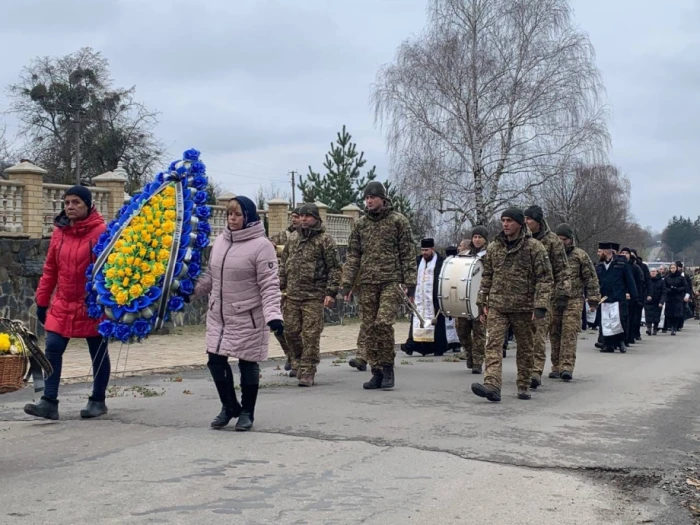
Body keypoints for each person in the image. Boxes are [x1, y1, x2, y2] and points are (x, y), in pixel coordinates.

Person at [194, 196, 283, 431]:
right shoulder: (221, 241)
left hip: (248, 315)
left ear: (249, 217)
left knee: (247, 363)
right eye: (229, 215)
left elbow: (269, 284)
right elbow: (211, 278)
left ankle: (247, 411)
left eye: (238, 215)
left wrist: (274, 315)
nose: (233, 219)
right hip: (219, 315)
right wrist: (188, 293)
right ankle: (229, 405)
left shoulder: (262, 246)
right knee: (215, 360)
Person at [24, 186, 110, 421]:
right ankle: (49, 402)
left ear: (88, 205)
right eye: (67, 202)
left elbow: (110, 270)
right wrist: (42, 301)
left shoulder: (102, 232)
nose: (70, 207)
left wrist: (109, 302)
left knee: (98, 352)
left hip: (92, 305)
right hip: (63, 303)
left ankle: (98, 400)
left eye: (76, 202)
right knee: (52, 347)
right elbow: (50, 269)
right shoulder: (59, 232)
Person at [471, 208, 553, 402]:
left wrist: (540, 305)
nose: (505, 224)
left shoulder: (534, 247)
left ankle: (524, 384)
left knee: (525, 348)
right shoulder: (494, 247)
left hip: (524, 307)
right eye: (503, 221)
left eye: (509, 221)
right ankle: (492, 384)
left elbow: (545, 278)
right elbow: (487, 275)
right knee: (493, 345)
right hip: (498, 306)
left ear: (519, 224)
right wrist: (482, 300)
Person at [342, 181, 417, 391]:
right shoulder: (361, 224)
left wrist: (410, 285)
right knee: (370, 327)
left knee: (383, 323)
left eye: (372, 197)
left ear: (383, 199)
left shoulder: (398, 221)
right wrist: (346, 284)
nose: (369, 201)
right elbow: (353, 256)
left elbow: (408, 254)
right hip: (367, 283)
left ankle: (387, 366)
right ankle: (376, 371)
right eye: (366, 198)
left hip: (391, 281)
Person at [279, 203, 340, 386]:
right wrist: (281, 286)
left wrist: (330, 292)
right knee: (290, 332)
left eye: (307, 216)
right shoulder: (293, 238)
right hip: (292, 295)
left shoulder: (325, 240)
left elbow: (334, 269)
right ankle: (297, 360)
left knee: (311, 334)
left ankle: (308, 370)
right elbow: (284, 264)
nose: (304, 219)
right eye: (301, 216)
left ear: (316, 218)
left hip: (314, 296)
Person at [524, 205, 571, 389]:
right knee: (525, 335)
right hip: (522, 294)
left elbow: (562, 270)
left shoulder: (552, 241)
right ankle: (525, 369)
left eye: (530, 219)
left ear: (538, 221)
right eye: (525, 219)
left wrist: (562, 294)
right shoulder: (522, 239)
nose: (526, 222)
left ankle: (535, 371)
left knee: (539, 333)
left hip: (545, 294)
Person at [550, 224, 600, 381]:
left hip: (574, 299)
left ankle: (567, 366)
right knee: (554, 332)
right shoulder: (550, 256)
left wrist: (593, 299)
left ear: (570, 240)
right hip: (554, 299)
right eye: (557, 239)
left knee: (569, 332)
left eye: (563, 239)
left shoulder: (580, 256)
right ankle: (556, 365)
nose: (560, 242)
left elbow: (591, 278)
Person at [401, 239, 447, 357]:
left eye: (426, 250)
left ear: (433, 249)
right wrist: (410, 292)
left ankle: (437, 347)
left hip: (434, 298)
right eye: (422, 250)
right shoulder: (417, 261)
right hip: (419, 298)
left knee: (436, 322)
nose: (424, 253)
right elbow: (411, 278)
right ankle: (414, 345)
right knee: (417, 318)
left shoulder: (441, 262)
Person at [270, 207, 301, 372]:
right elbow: (268, 245)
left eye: (298, 217)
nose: (295, 220)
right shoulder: (282, 236)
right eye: (293, 217)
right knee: (279, 325)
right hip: (281, 287)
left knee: (296, 327)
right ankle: (289, 354)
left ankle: (300, 359)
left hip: (300, 288)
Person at [455, 227, 488, 373]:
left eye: (480, 237)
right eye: (474, 237)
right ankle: (469, 353)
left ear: (485, 239)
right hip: (463, 297)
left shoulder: (490, 255)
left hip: (481, 298)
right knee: (462, 331)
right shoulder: (464, 255)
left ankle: (478, 362)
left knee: (479, 331)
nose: (476, 240)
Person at [596, 242, 638, 353]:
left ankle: (621, 342)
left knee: (619, 320)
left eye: (600, 251)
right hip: (604, 298)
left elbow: (629, 279)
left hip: (618, 296)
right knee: (606, 321)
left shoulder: (621, 263)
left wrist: (634, 295)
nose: (598, 254)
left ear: (606, 252)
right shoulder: (599, 266)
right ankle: (607, 344)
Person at [619, 248, 644, 346]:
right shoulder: (618, 266)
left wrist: (636, 295)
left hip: (632, 297)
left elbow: (639, 283)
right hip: (620, 295)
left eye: (626, 253)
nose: (624, 255)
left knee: (631, 318)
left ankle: (629, 337)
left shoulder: (635, 267)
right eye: (623, 253)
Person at [443, 246, 462, 353]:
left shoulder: (456, 263)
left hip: (454, 293)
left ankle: (455, 342)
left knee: (453, 319)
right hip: (450, 293)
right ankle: (452, 342)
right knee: (450, 319)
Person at [663, 263, 686, 336]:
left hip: (678, 297)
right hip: (669, 297)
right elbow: (664, 287)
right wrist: (669, 290)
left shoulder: (681, 277)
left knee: (677, 313)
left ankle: (674, 327)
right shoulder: (667, 277)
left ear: (676, 268)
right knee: (669, 313)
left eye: (674, 268)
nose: (672, 269)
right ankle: (671, 325)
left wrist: (678, 289)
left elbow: (685, 286)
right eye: (671, 268)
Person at [644, 268, 666, 335]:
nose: (653, 273)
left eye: (654, 271)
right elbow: (644, 290)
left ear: (657, 272)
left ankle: (655, 328)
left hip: (657, 301)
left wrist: (661, 302)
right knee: (648, 315)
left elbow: (663, 292)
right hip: (648, 301)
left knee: (657, 315)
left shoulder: (661, 281)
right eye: (651, 271)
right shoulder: (647, 280)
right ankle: (649, 328)